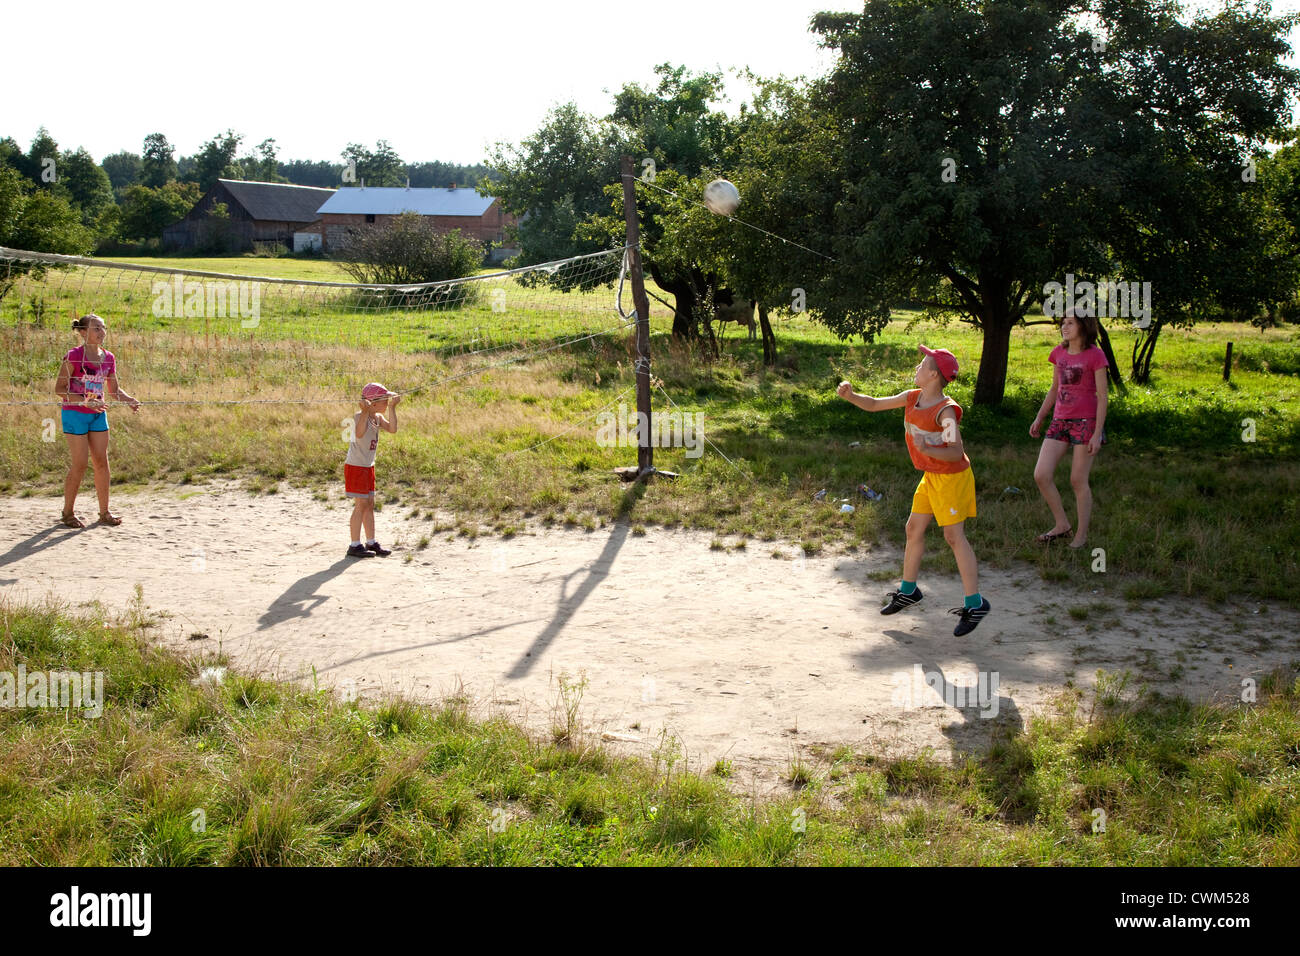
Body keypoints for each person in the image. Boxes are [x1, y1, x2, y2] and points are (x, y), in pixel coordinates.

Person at [837, 346, 991, 636]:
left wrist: (929, 447)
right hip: (932, 476)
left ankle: (976, 603)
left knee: (953, 537)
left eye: (922, 365)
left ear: (934, 374)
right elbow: (874, 404)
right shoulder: (912, 397)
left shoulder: (946, 411)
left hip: (951, 477)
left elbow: (956, 451)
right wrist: (851, 396)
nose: (917, 368)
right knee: (913, 528)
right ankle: (909, 591)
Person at [1030, 308, 1109, 549]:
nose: (1064, 327)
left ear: (1084, 326)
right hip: (1059, 421)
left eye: (1071, 323)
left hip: (1086, 424)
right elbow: (1055, 389)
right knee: (1041, 475)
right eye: (1063, 323)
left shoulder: (1095, 356)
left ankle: (1081, 537)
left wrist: (1097, 434)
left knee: (1077, 480)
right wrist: (1040, 417)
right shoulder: (1059, 353)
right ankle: (1062, 525)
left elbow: (1103, 397)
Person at [53, 313, 139, 528]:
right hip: (75, 413)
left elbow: (114, 390)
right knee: (80, 464)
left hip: (98, 413)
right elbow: (59, 390)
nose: (102, 332)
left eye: (103, 328)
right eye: (96, 328)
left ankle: (104, 513)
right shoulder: (73, 356)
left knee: (102, 462)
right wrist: (83, 401)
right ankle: (68, 512)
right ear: (83, 332)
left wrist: (128, 399)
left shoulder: (108, 357)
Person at [345, 382, 400, 557]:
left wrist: (392, 407)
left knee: (370, 504)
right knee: (361, 505)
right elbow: (360, 433)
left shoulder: (377, 417)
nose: (387, 402)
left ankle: (371, 542)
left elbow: (392, 429)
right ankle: (354, 545)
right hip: (356, 466)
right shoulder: (359, 417)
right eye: (385, 400)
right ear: (373, 403)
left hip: (368, 466)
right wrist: (364, 411)